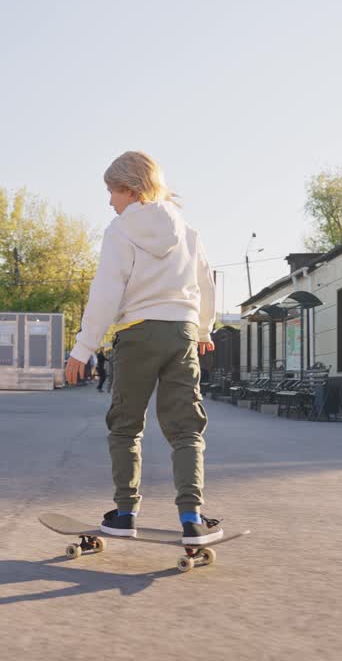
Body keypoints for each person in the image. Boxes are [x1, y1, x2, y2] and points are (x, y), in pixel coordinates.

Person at [65, 150, 220, 545]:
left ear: (130, 189)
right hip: (182, 333)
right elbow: (205, 284)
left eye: (111, 192)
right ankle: (192, 517)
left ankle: (125, 513)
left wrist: (82, 348)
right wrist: (203, 329)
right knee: (186, 427)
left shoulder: (119, 231)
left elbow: (106, 292)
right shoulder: (188, 231)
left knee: (126, 425)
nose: (109, 201)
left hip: (137, 334)